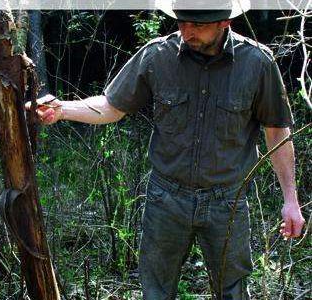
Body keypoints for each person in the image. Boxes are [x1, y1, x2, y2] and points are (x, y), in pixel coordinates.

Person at [26, 0, 305, 298]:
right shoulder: (157, 55)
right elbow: (111, 107)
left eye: (198, 24)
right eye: (182, 21)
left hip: (228, 202)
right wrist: (62, 109)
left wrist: (291, 199)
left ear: (225, 23)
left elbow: (277, 131)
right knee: (156, 291)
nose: (187, 31)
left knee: (233, 291)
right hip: (166, 199)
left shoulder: (258, 63)